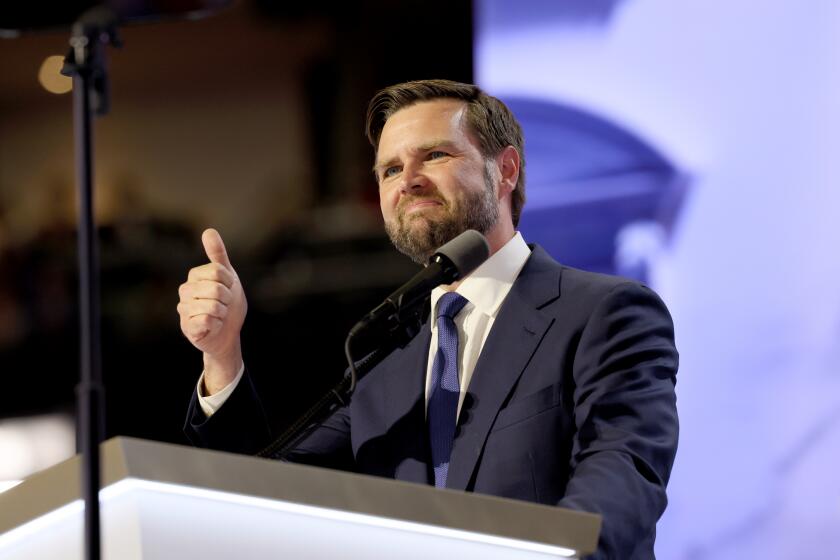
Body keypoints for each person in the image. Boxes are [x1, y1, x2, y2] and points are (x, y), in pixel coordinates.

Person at [177, 79, 679, 559]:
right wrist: (222, 354)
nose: (409, 180)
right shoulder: (385, 361)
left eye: (435, 155)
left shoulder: (602, 313)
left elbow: (621, 481)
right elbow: (256, 495)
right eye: (390, 170)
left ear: (505, 170)